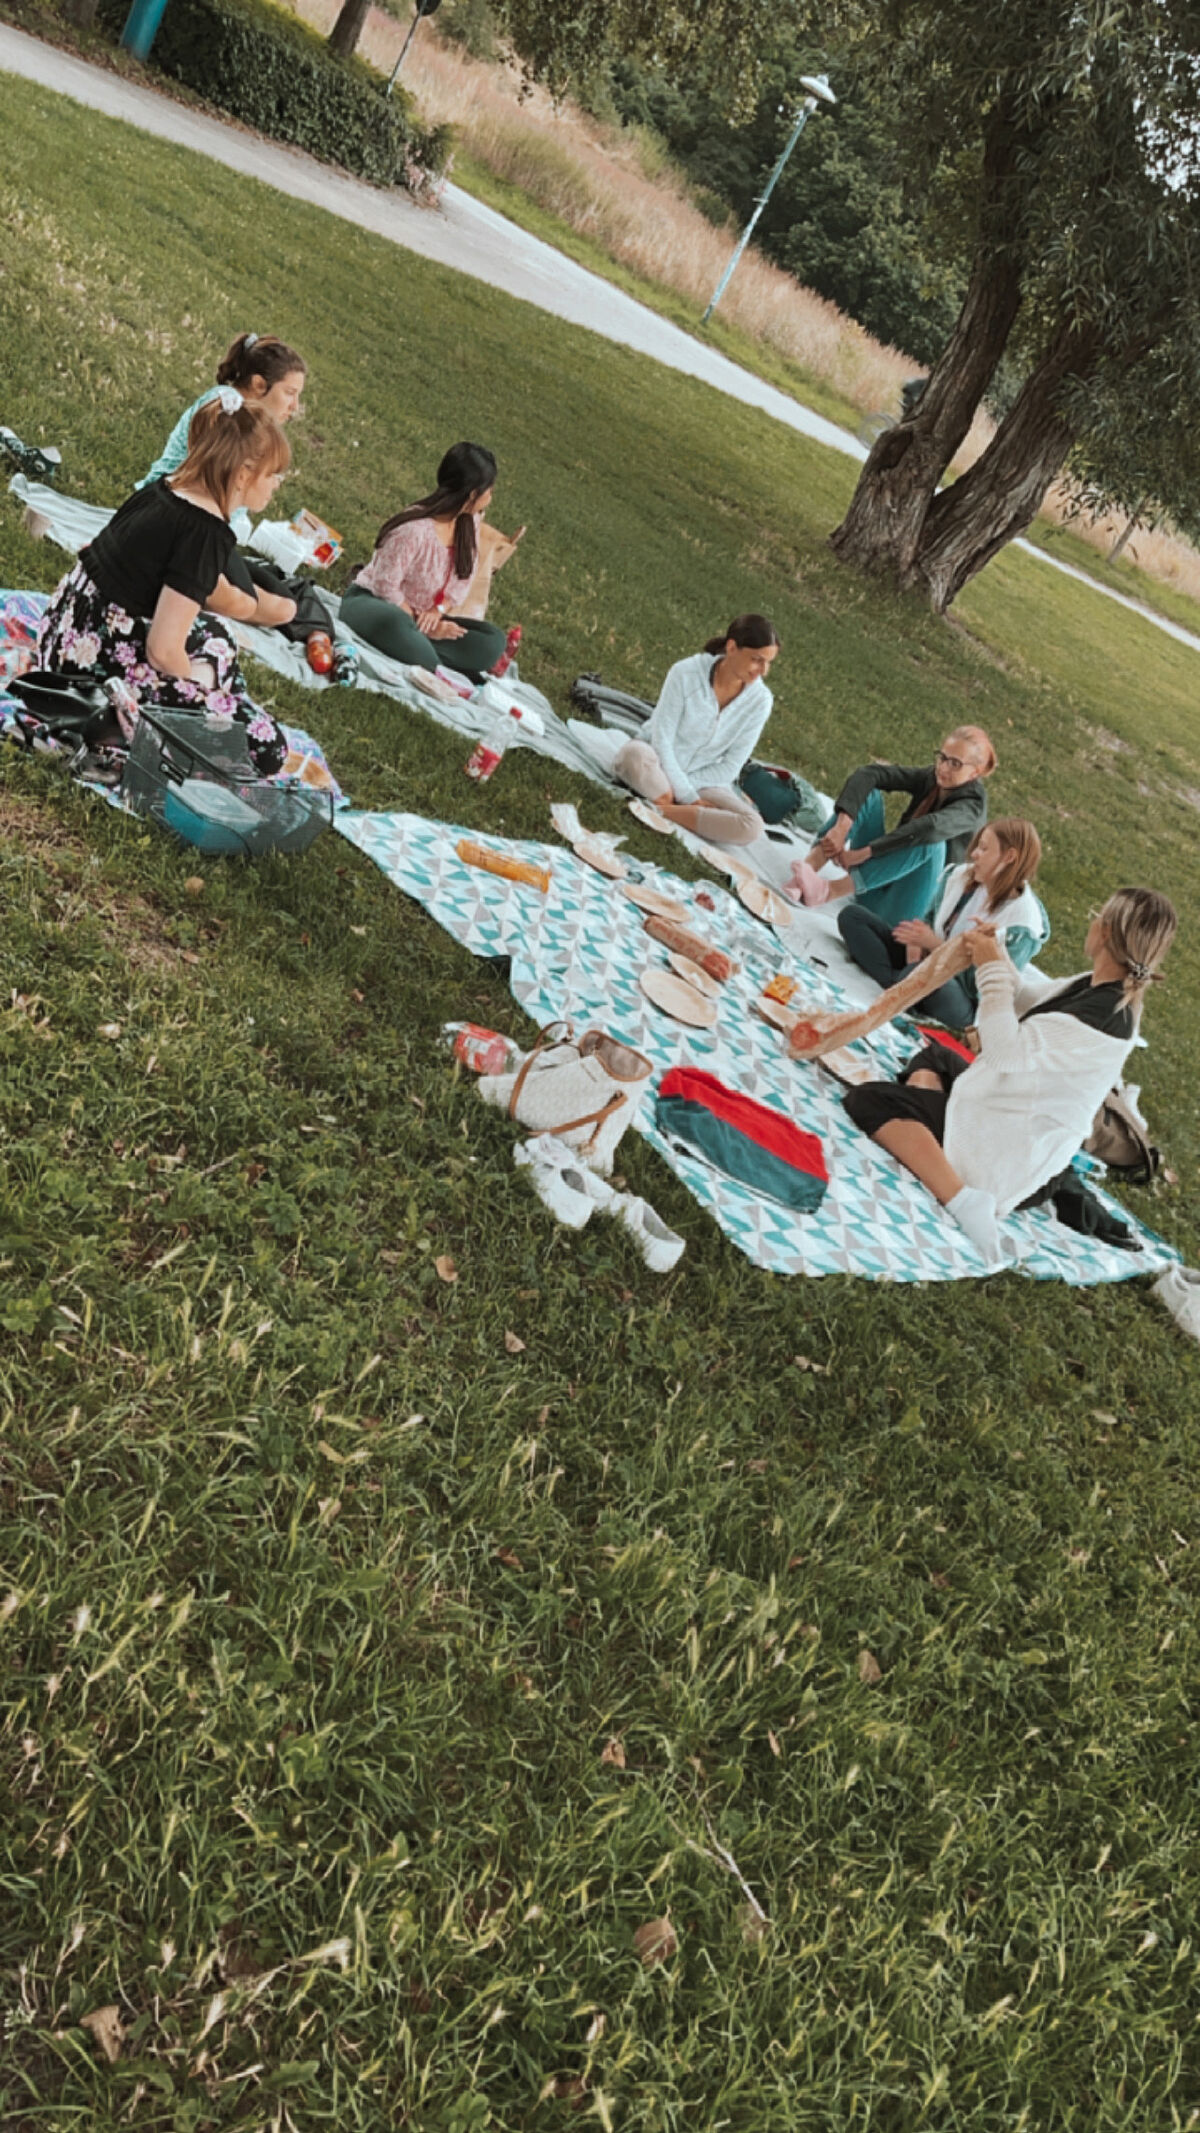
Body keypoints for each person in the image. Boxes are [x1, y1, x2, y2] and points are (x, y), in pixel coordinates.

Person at [842, 887, 1178, 1268]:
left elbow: (1001, 1050)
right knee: (935, 1056)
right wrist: (995, 952)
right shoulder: (1098, 985)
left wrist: (988, 969)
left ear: (1109, 933)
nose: (1093, 920)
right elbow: (1026, 997)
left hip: (1011, 1150)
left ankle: (963, 1197)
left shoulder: (1104, 1018)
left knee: (868, 1100)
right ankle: (932, 1134)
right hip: (1010, 1108)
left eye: (1100, 914)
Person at [36, 398, 291, 774]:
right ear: (244, 473)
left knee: (218, 635)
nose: (276, 484)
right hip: (94, 677)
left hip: (62, 636)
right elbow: (162, 650)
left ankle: (204, 698)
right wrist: (199, 690)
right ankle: (136, 726)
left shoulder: (166, 488)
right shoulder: (205, 533)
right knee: (268, 747)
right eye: (274, 474)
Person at [837, 818, 1047, 1029]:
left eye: (984, 849)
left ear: (1009, 857)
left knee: (931, 978)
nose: (974, 854)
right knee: (852, 917)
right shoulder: (960, 878)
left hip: (960, 998)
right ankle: (902, 988)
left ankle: (902, 986)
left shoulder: (1021, 926)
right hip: (926, 963)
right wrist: (915, 943)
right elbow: (929, 920)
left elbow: (984, 990)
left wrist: (934, 946)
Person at [787, 725, 997, 925]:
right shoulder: (934, 778)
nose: (943, 767)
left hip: (903, 914)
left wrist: (867, 852)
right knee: (869, 795)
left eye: (955, 763)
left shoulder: (972, 807)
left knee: (931, 842)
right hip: (872, 886)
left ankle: (827, 891)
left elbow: (930, 828)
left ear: (975, 772)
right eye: (942, 758)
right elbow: (870, 774)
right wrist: (842, 826)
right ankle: (805, 876)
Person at [340, 443, 508, 680]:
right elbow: (385, 587)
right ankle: (427, 653)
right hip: (377, 604)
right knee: (396, 623)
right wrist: (422, 624)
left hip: (424, 621)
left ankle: (419, 647)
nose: (490, 498)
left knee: (492, 642)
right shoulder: (414, 530)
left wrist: (436, 612)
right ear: (472, 494)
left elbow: (461, 582)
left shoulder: (469, 524)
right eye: (489, 491)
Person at [613, 614, 781, 846]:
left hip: (701, 781)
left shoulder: (761, 701)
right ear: (732, 647)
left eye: (768, 662)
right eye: (757, 660)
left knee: (752, 826)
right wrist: (688, 797)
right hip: (656, 762)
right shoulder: (685, 673)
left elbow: (731, 766)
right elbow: (661, 740)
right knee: (633, 756)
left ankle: (658, 808)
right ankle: (682, 811)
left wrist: (687, 787)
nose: (763, 670)